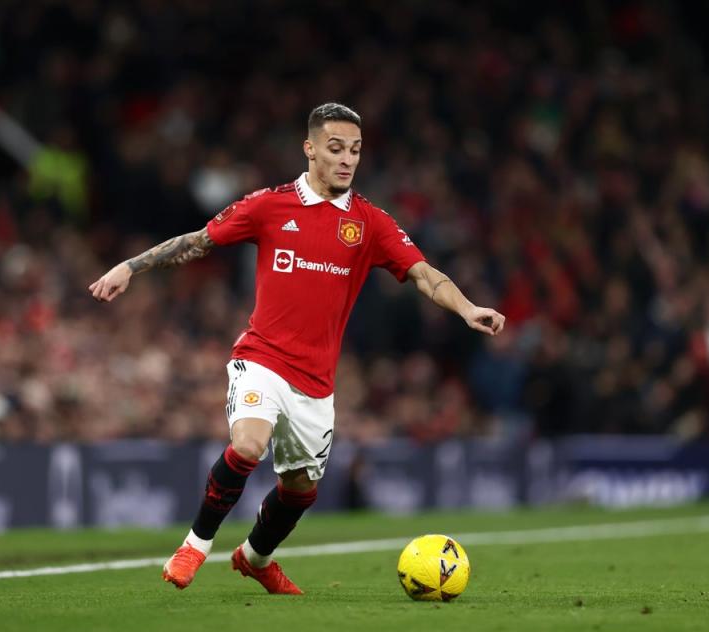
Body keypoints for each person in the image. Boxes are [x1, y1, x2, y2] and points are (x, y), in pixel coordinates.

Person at [89, 103, 505, 595]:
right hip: (261, 358)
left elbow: (424, 274)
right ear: (310, 149)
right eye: (335, 149)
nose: (347, 160)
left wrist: (466, 308)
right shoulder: (269, 206)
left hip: (316, 382)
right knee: (248, 444)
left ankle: (255, 558)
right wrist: (130, 267)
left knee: (300, 488)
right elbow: (200, 242)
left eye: (355, 150)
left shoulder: (370, 223)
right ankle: (195, 546)